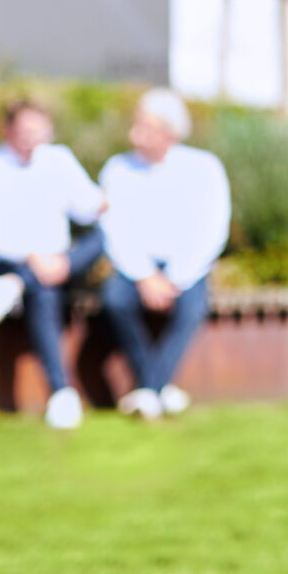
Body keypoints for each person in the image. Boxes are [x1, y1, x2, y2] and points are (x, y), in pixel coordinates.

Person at [0, 97, 107, 430]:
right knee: (43, 289)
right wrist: (33, 259)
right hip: (10, 264)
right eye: (25, 129)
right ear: (7, 129)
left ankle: (17, 286)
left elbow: (85, 206)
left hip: (59, 264)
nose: (32, 137)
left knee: (99, 239)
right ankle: (61, 392)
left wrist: (103, 202)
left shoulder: (58, 160)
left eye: (38, 130)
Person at [96, 88, 231, 421]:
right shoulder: (118, 169)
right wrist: (144, 276)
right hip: (136, 268)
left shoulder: (204, 167)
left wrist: (176, 277)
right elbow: (114, 228)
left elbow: (212, 228)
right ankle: (157, 389)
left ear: (168, 133)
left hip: (186, 268)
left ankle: (149, 390)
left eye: (144, 125)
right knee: (115, 300)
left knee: (192, 307)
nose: (134, 132)